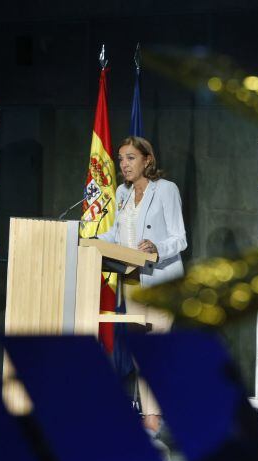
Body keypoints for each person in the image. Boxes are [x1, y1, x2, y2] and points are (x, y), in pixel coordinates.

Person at [96, 135, 188, 431]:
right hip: (133, 281)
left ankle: (158, 417)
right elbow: (115, 237)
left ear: (147, 160)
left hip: (161, 282)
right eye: (121, 158)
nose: (124, 164)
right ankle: (151, 416)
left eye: (131, 157)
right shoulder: (122, 193)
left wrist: (157, 247)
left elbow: (180, 238)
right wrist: (87, 242)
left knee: (157, 352)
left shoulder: (166, 190)